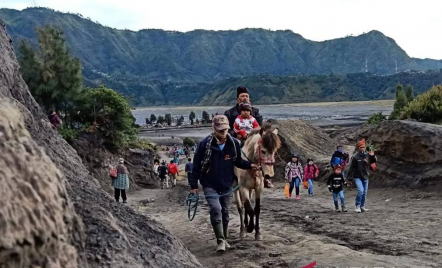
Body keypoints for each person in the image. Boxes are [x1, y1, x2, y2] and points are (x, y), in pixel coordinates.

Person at [190, 115, 259, 253]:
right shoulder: (204, 144)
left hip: (226, 183)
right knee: (216, 209)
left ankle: (225, 238)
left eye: (226, 129)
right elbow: (196, 166)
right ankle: (220, 241)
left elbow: (238, 161)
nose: (223, 132)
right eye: (220, 130)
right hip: (209, 183)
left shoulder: (233, 143)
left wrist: (250, 165)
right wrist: (193, 186)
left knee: (225, 212)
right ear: (214, 128)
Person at [347, 138, 377, 213]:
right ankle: (357, 206)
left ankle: (362, 206)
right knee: (361, 191)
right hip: (357, 176)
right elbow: (351, 168)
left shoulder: (367, 154)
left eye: (363, 147)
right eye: (361, 147)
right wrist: (349, 179)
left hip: (365, 176)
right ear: (358, 147)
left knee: (365, 192)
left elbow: (374, 161)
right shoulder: (355, 157)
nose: (362, 148)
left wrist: (372, 155)